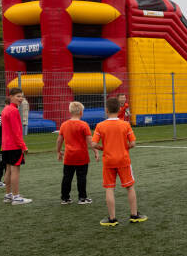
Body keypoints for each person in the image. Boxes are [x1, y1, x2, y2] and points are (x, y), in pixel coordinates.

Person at [92, 96, 147, 225]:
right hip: (123, 160)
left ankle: (112, 219)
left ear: (106, 110)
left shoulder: (100, 126)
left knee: (109, 189)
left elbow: (93, 144)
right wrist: (124, 147)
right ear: (119, 109)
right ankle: (134, 215)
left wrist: (103, 149)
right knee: (129, 187)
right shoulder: (125, 124)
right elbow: (133, 143)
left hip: (108, 161)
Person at [57, 101, 98, 205]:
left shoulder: (64, 124)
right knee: (81, 177)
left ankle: (65, 198)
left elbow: (59, 140)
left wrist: (58, 151)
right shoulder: (84, 125)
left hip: (69, 156)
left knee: (67, 177)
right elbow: (90, 140)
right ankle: (82, 198)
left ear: (70, 111)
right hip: (81, 155)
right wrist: (96, 151)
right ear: (81, 112)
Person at [1, 88, 32, 205]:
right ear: (11, 97)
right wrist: (23, 146)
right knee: (15, 170)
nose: (21, 99)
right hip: (13, 146)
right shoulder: (13, 111)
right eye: (18, 96)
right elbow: (17, 131)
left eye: (22, 96)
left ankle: (8, 195)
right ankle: (16, 197)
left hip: (6, 145)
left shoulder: (6, 109)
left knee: (8, 170)